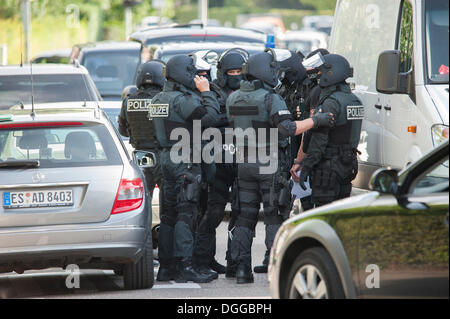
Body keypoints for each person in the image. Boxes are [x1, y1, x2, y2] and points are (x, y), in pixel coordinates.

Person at [226, 49, 336, 284]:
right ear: (265, 71)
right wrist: (317, 120)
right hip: (268, 164)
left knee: (245, 217)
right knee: (273, 216)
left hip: (243, 164)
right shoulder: (270, 97)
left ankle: (242, 270)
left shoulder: (233, 97)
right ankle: (275, 269)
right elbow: (288, 128)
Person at [151, 54, 221, 283]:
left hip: (166, 159)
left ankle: (166, 267)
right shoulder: (182, 100)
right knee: (185, 213)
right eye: (192, 72)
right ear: (183, 74)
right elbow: (210, 118)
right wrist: (207, 92)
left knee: (168, 215)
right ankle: (186, 266)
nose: (196, 77)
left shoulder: (158, 98)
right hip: (185, 159)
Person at [192, 48, 249, 279]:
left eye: (239, 71)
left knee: (241, 211)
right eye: (231, 71)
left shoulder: (248, 90)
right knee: (212, 213)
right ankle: (202, 260)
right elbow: (210, 119)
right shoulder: (211, 90)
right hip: (215, 161)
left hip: (241, 158)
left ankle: (234, 261)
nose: (235, 75)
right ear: (223, 73)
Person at [298, 54, 362, 207]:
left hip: (327, 170)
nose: (319, 77)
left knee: (323, 217)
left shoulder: (331, 102)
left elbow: (319, 141)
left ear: (331, 73)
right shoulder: (355, 100)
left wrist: (306, 167)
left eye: (321, 73)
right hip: (347, 166)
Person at [118, 60, 165, 201]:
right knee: (167, 200)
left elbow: (123, 131)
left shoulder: (128, 101)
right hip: (161, 155)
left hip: (140, 155)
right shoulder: (163, 100)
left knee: (142, 199)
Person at [290, 48, 330, 211]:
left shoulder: (316, 90)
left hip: (313, 155)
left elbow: (309, 129)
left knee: (310, 205)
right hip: (330, 157)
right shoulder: (334, 90)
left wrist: (299, 160)